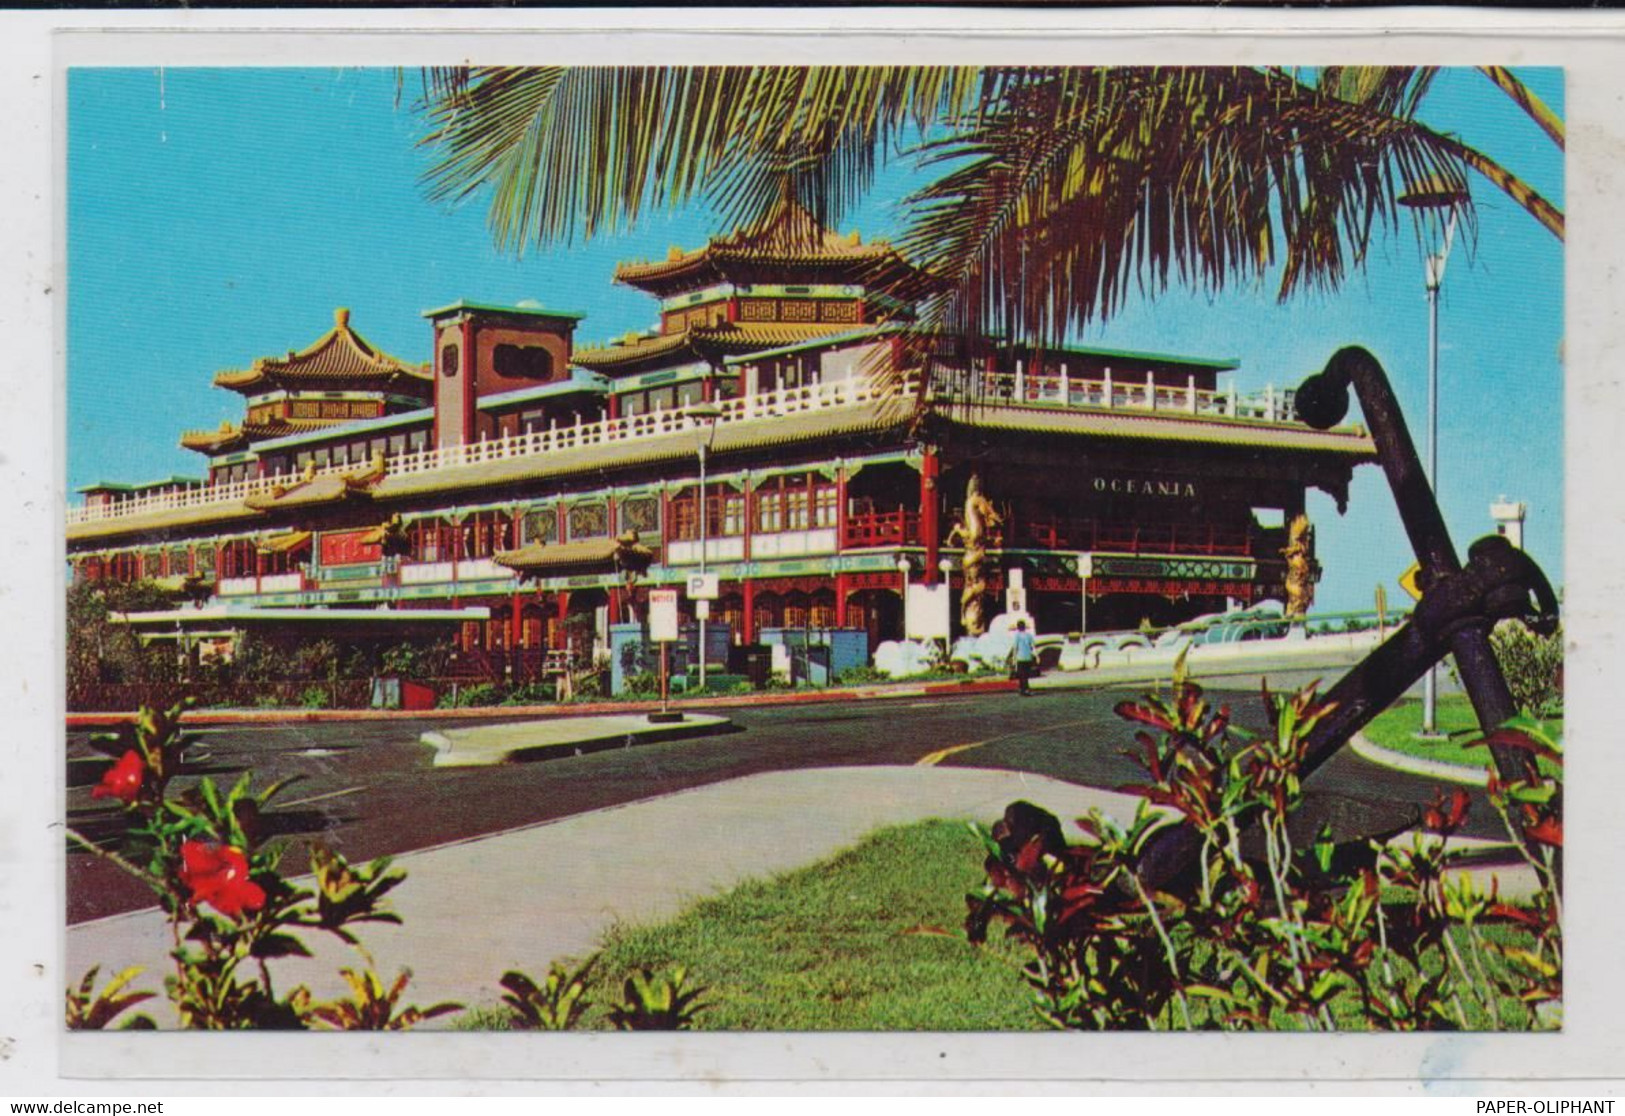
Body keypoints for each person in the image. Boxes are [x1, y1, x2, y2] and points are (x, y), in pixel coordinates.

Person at [1012, 620, 1037, 696]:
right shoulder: (1029, 635)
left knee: (1021, 674)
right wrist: (1036, 656)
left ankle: (1024, 689)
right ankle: (1024, 689)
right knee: (1026, 674)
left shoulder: (1017, 636)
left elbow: (1015, 647)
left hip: (1020, 657)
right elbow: (1033, 646)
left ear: (1018, 627)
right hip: (1028, 657)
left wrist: (1014, 658)